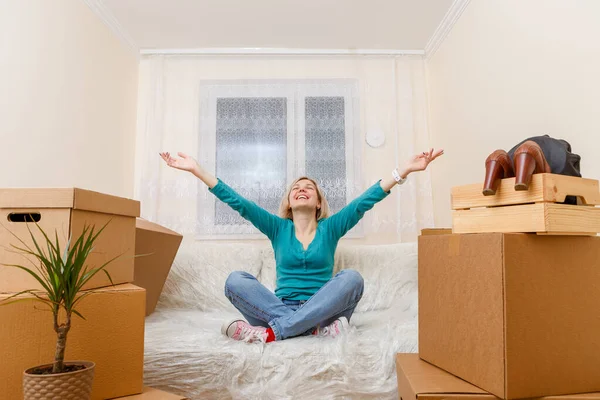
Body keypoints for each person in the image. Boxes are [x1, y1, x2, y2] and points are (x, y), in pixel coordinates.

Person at [159, 148, 443, 343]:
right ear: (289, 202)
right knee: (236, 281)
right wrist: (197, 170)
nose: (301, 189)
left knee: (352, 279)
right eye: (296, 188)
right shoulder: (277, 227)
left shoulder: (331, 227)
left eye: (308, 187)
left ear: (318, 202)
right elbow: (238, 202)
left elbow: (365, 200)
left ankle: (272, 333)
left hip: (326, 310)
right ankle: (310, 330)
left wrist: (404, 169)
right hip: (279, 306)